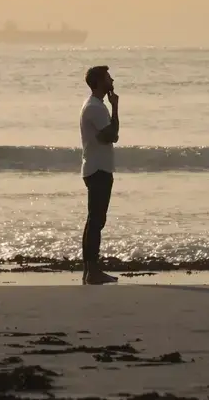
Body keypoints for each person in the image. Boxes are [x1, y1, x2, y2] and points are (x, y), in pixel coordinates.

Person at [80, 65, 120, 285]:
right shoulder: (95, 108)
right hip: (98, 169)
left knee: (94, 220)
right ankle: (92, 271)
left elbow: (110, 135)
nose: (112, 80)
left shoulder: (96, 105)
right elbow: (112, 136)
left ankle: (89, 270)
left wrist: (112, 108)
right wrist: (116, 108)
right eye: (108, 77)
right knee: (96, 221)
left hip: (97, 168)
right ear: (98, 82)